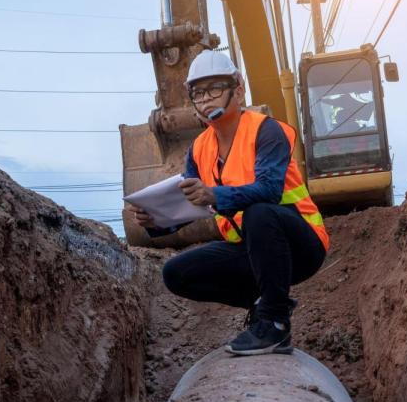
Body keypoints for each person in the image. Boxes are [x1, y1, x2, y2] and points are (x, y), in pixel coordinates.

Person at [125, 50, 330, 356]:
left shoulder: (267, 130)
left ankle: (274, 324)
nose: (206, 99)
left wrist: (215, 195)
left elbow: (270, 191)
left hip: (299, 244)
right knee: (176, 274)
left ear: (238, 88)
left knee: (259, 213)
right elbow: (194, 202)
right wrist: (158, 221)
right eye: (198, 92)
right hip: (251, 249)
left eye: (215, 89)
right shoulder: (198, 149)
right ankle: (262, 303)